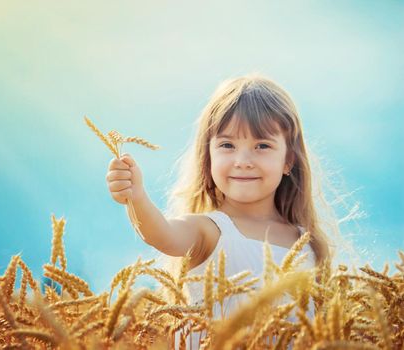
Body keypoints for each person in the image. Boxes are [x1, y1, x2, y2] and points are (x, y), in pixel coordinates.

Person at [105, 73, 339, 349]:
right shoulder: (210, 231)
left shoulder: (306, 244)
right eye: (227, 145)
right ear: (209, 157)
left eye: (262, 146)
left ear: (288, 160)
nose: (243, 161)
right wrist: (137, 196)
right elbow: (162, 234)